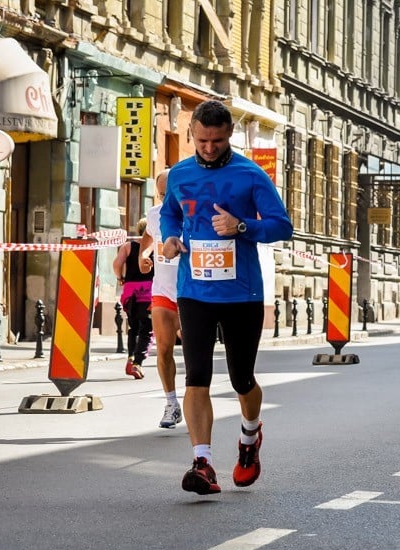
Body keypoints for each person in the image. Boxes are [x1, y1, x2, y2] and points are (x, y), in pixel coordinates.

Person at [159, 100, 294, 496]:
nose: (209, 148)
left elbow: (280, 225)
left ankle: (250, 439)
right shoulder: (180, 174)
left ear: (229, 134)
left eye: (217, 140)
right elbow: (171, 214)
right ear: (192, 135)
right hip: (194, 288)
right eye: (202, 140)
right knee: (197, 376)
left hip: (242, 293)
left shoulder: (250, 175)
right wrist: (169, 238)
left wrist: (242, 226)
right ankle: (202, 462)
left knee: (241, 378)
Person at [138, 169, 182, 429]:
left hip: (192, 290)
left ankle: (196, 398)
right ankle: (171, 403)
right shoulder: (154, 215)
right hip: (163, 289)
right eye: (162, 193)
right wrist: (144, 255)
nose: (166, 199)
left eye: (171, 193)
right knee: (164, 348)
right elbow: (148, 238)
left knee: (193, 349)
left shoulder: (194, 213)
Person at [113, 217, 153, 379]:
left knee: (133, 327)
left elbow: (116, 264)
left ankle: (131, 358)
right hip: (149, 291)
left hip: (130, 292)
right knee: (147, 329)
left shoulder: (128, 246)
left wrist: (120, 277)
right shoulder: (155, 246)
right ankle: (137, 363)